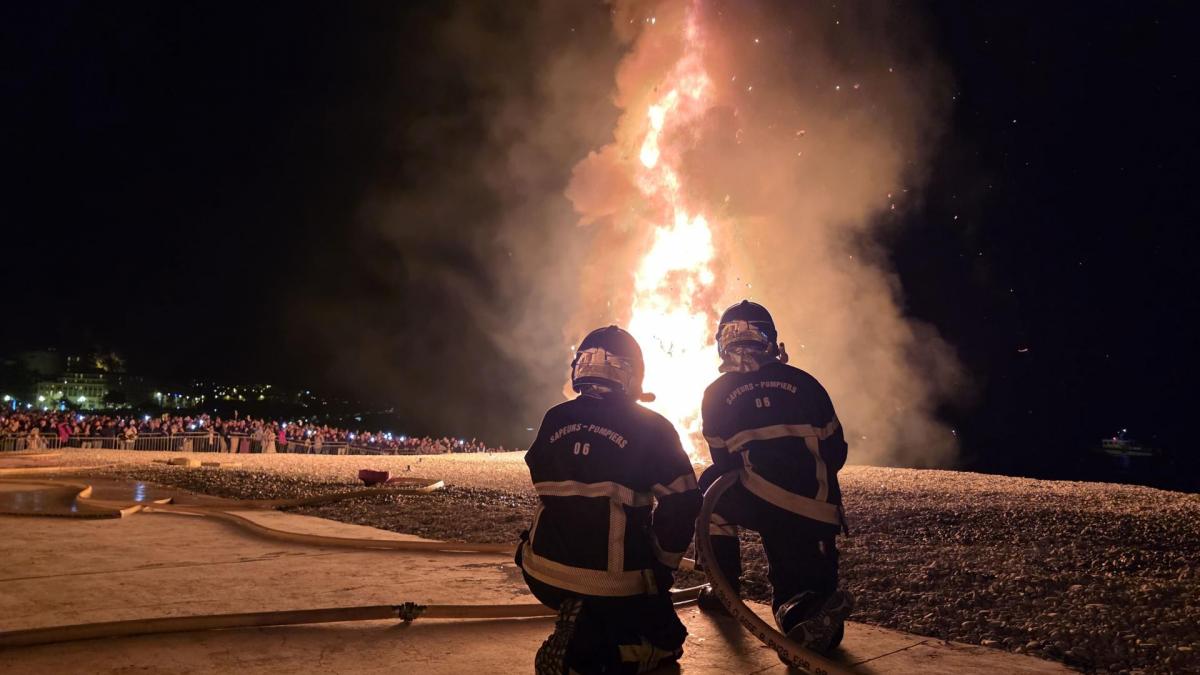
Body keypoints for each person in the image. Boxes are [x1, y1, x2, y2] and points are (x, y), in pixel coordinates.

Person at [518, 325, 701, 675]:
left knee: (621, 613)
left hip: (541, 572)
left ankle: (580, 617)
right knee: (664, 643)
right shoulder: (652, 426)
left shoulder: (554, 417)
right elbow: (684, 502)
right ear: (634, 374)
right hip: (613, 580)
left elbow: (541, 475)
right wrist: (662, 565)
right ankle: (583, 650)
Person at [696, 300, 854, 654]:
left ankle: (725, 591)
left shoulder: (716, 394)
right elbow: (836, 452)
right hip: (818, 511)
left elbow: (723, 462)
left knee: (710, 491)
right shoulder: (806, 383)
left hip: (761, 502)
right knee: (808, 594)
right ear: (771, 340)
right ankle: (817, 608)